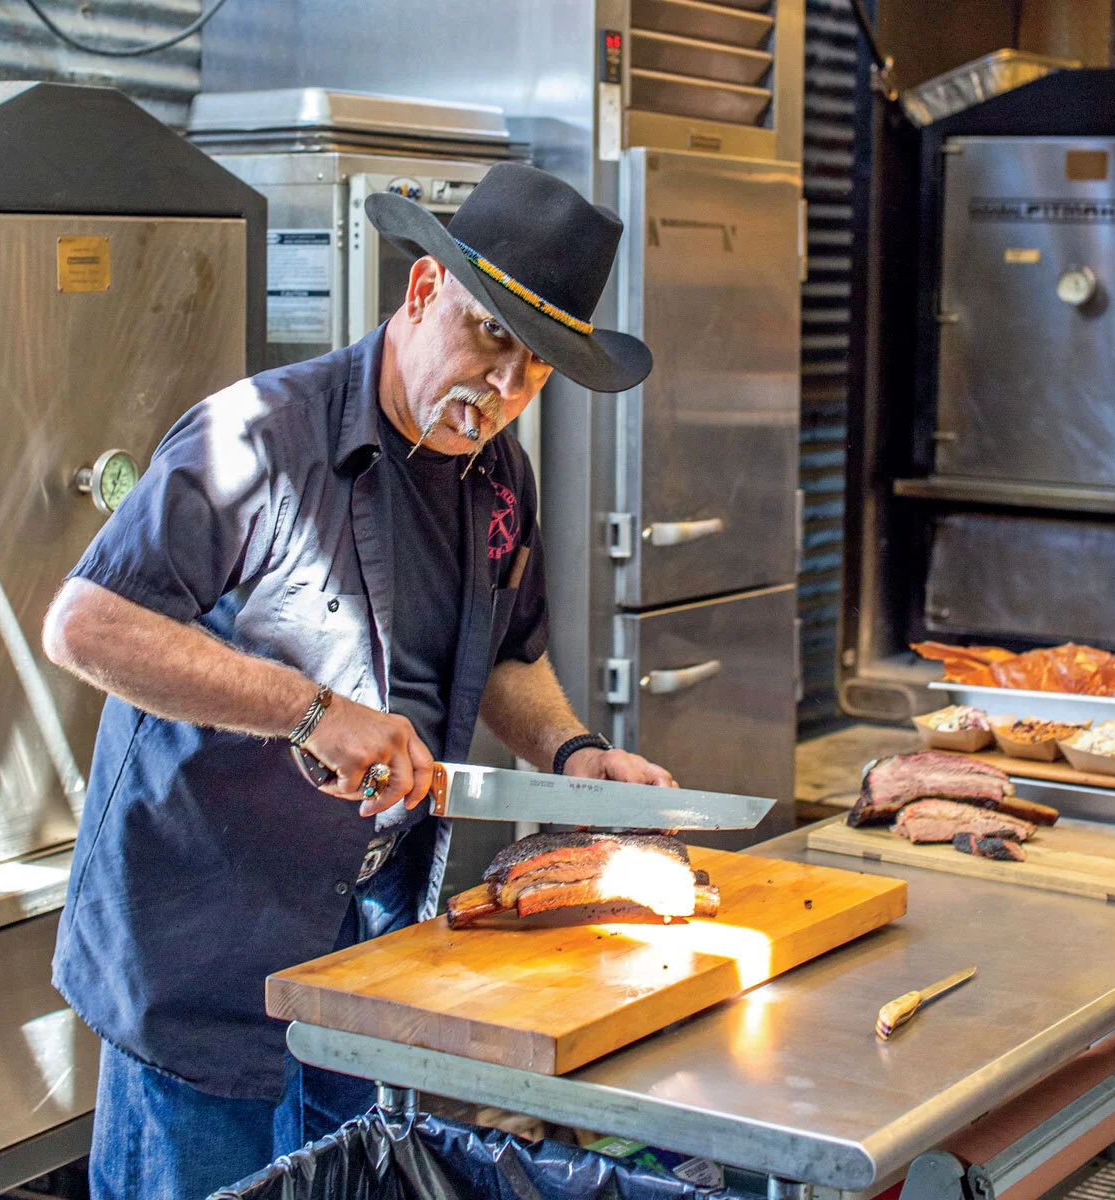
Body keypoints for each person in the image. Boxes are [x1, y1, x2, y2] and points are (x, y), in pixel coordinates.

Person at [42, 161, 674, 1200]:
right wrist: (310, 712)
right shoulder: (256, 436)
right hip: (204, 943)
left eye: (537, 368)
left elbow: (507, 655)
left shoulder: (497, 475)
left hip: (366, 947)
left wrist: (574, 752)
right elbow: (87, 624)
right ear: (422, 291)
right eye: (492, 336)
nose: (504, 388)